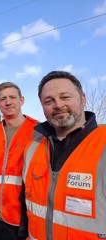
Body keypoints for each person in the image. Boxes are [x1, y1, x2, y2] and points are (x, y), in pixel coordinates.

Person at [22, 70, 106, 239]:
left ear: (83, 99)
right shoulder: (32, 148)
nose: (58, 105)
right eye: (49, 101)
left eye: (65, 97)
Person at [0, 82, 38, 240]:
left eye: (12, 97)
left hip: (22, 217)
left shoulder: (39, 132)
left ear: (22, 100)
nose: (8, 102)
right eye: (3, 98)